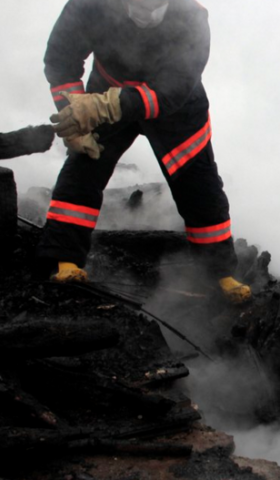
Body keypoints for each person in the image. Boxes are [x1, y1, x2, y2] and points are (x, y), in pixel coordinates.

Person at [38, 0, 250, 304]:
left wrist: (107, 106)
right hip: (104, 93)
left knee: (199, 186)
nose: (146, 14)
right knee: (84, 168)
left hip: (175, 109)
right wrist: (73, 109)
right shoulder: (89, 5)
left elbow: (173, 88)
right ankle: (63, 259)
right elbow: (61, 57)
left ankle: (220, 273)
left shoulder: (192, 17)